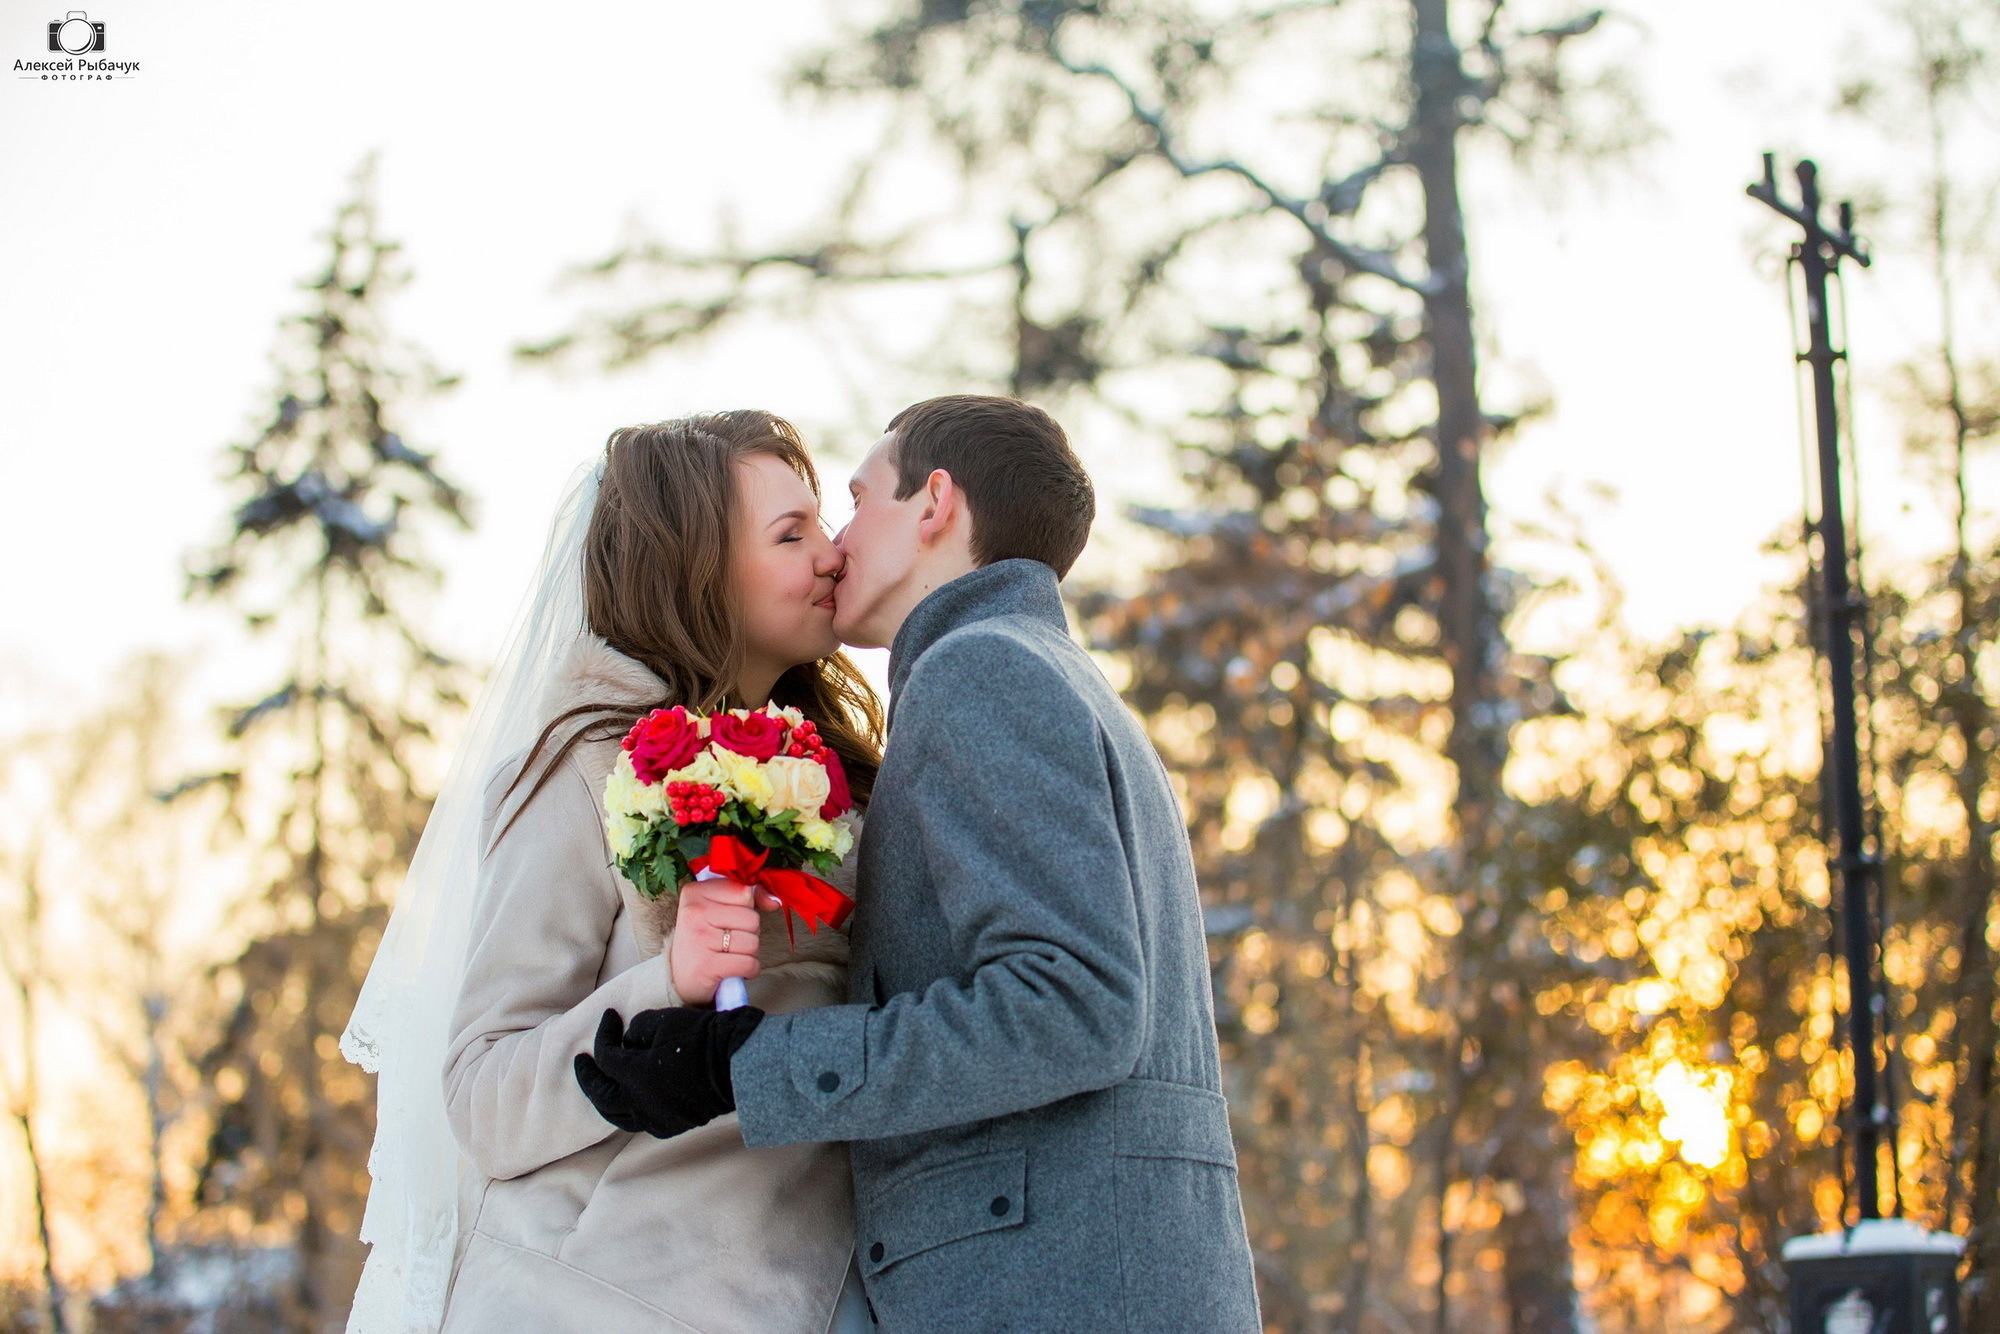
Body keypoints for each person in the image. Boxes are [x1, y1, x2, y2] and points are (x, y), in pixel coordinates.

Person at [576, 396, 1263, 1333]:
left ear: (934, 503)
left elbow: (1077, 1005)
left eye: (859, 501)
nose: (836, 545)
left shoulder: (980, 671)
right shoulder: (1051, 675)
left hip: (1050, 1294)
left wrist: (744, 1067)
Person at [342, 412, 883, 1333]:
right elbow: (481, 1095)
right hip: (594, 1304)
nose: (833, 554)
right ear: (696, 573)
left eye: (823, 525)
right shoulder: (583, 770)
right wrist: (664, 989)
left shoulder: (846, 780)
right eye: (791, 535)